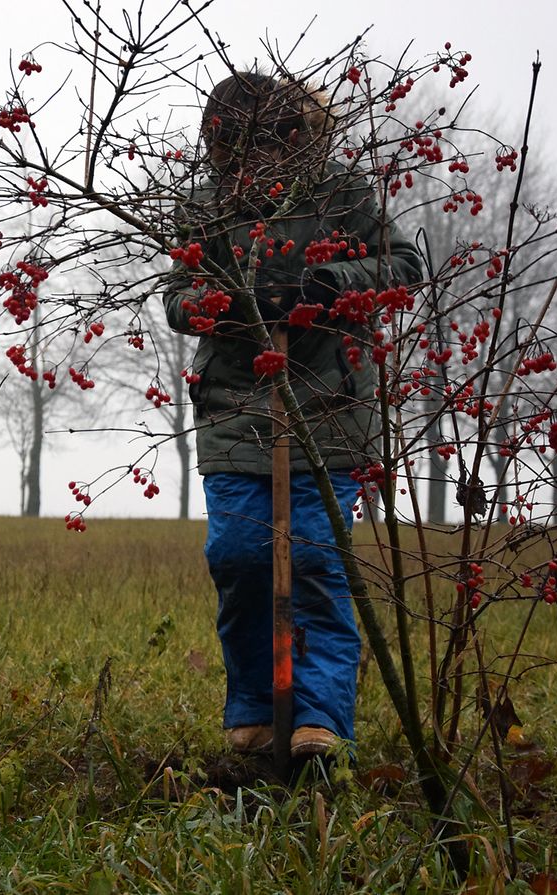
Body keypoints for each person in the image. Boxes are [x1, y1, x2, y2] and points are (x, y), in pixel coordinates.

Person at [164, 73, 422, 758]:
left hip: (329, 409)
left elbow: (404, 265)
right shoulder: (208, 204)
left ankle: (320, 718)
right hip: (234, 407)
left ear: (296, 136)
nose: (255, 160)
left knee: (313, 557)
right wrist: (223, 306)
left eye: (269, 143)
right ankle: (251, 706)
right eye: (238, 147)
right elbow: (176, 296)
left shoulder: (343, 194)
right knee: (239, 555)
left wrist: (326, 285)